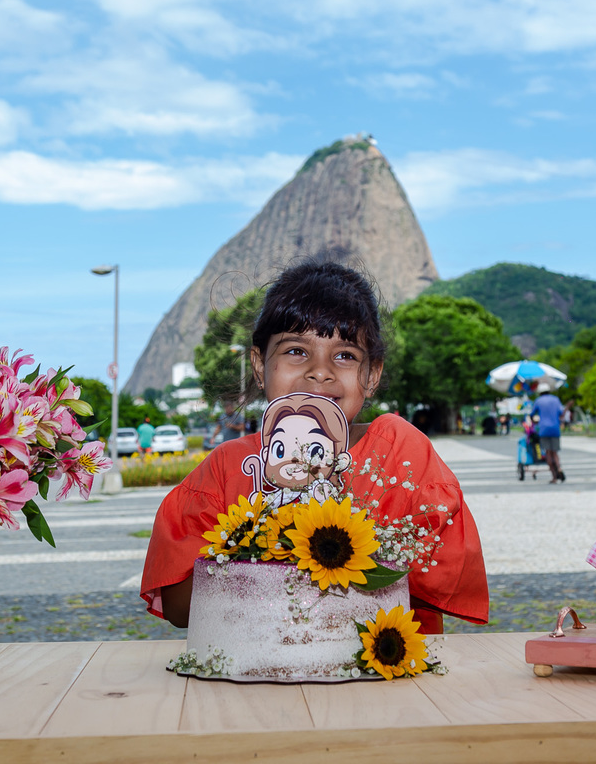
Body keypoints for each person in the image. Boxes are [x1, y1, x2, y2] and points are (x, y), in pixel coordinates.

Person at [140, 260, 489, 633]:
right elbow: (180, 606)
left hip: (384, 682)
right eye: (295, 351)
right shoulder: (229, 467)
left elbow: (438, 580)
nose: (320, 371)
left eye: (345, 355)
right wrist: (271, 534)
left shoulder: (401, 456)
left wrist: (340, 540)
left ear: (371, 375)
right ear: (259, 365)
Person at [531, 383, 565, 483]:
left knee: (548, 453)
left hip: (544, 429)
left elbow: (532, 414)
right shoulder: (555, 399)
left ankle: (554, 477)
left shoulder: (538, 401)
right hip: (555, 429)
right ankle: (559, 468)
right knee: (555, 452)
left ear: (540, 392)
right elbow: (561, 412)